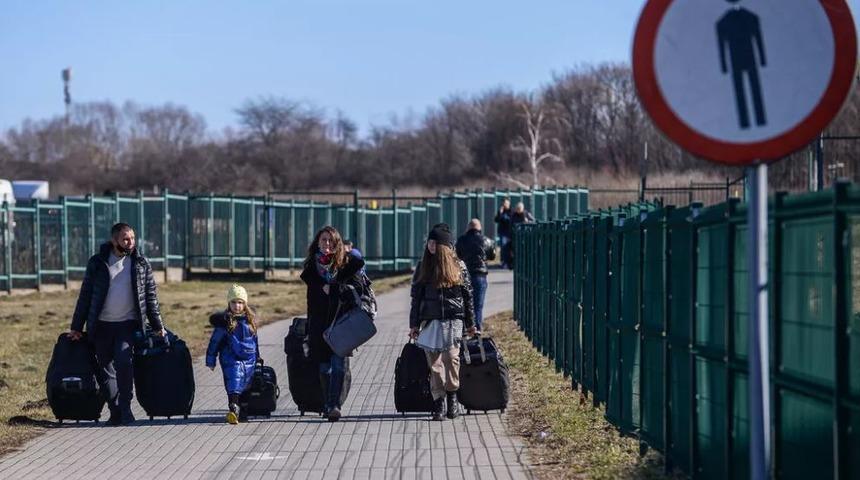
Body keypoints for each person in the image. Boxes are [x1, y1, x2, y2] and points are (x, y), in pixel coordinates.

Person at [68, 222, 165, 426]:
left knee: (124, 362)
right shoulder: (98, 263)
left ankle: (126, 409)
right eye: (125, 239)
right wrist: (76, 327)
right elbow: (85, 296)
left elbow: (150, 296)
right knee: (105, 369)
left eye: (132, 238)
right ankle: (115, 409)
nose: (130, 243)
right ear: (114, 240)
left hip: (127, 324)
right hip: (102, 325)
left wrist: (158, 325)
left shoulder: (141, 263)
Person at [300, 226, 372, 422]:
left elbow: (357, 286)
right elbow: (311, 301)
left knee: (338, 366)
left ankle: (334, 405)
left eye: (331, 241)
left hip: (341, 322)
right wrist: (310, 327)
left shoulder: (346, 264)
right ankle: (327, 403)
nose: (327, 244)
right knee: (324, 368)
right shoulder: (312, 269)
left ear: (337, 244)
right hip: (319, 324)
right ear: (318, 242)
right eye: (324, 240)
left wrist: (334, 289)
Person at [409, 223, 477, 421]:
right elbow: (416, 298)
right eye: (429, 242)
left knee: (452, 358)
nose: (430, 246)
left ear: (444, 246)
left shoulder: (458, 266)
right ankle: (439, 401)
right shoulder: (423, 267)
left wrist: (471, 323)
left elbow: (468, 296)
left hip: (453, 320)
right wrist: (414, 325)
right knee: (435, 364)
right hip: (430, 321)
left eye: (434, 243)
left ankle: (452, 395)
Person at [206, 284, 260, 424]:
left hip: (249, 359)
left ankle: (244, 411)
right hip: (231, 359)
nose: (237, 306)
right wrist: (211, 360)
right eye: (234, 302)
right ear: (229, 304)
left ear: (245, 304)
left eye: (240, 302)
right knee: (234, 383)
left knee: (247, 385)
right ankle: (233, 408)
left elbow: (255, 341)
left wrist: (258, 357)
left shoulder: (250, 321)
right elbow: (214, 342)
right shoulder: (225, 323)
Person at [455, 219, 495, 331]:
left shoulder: (461, 240)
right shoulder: (486, 240)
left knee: (464, 303)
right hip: (480, 276)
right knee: (478, 304)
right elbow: (492, 256)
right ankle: (476, 328)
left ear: (468, 228)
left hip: (464, 275)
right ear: (479, 228)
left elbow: (457, 256)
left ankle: (464, 328)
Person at [509, 202, 535, 269]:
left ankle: (525, 265)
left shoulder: (526, 214)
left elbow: (534, 221)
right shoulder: (514, 215)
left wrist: (528, 222)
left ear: (522, 208)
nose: (518, 210)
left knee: (525, 251)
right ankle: (516, 265)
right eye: (517, 208)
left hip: (525, 237)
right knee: (516, 252)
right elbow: (511, 225)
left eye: (519, 208)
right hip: (516, 237)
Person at [494, 198, 513, 269]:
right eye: (503, 203)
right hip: (502, 232)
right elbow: (496, 220)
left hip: (508, 232)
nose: (504, 205)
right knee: (502, 248)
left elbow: (508, 220)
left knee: (506, 248)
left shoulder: (511, 211)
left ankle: (507, 262)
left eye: (505, 203)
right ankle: (503, 262)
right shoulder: (501, 211)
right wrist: (500, 213)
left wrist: (502, 215)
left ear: (509, 204)